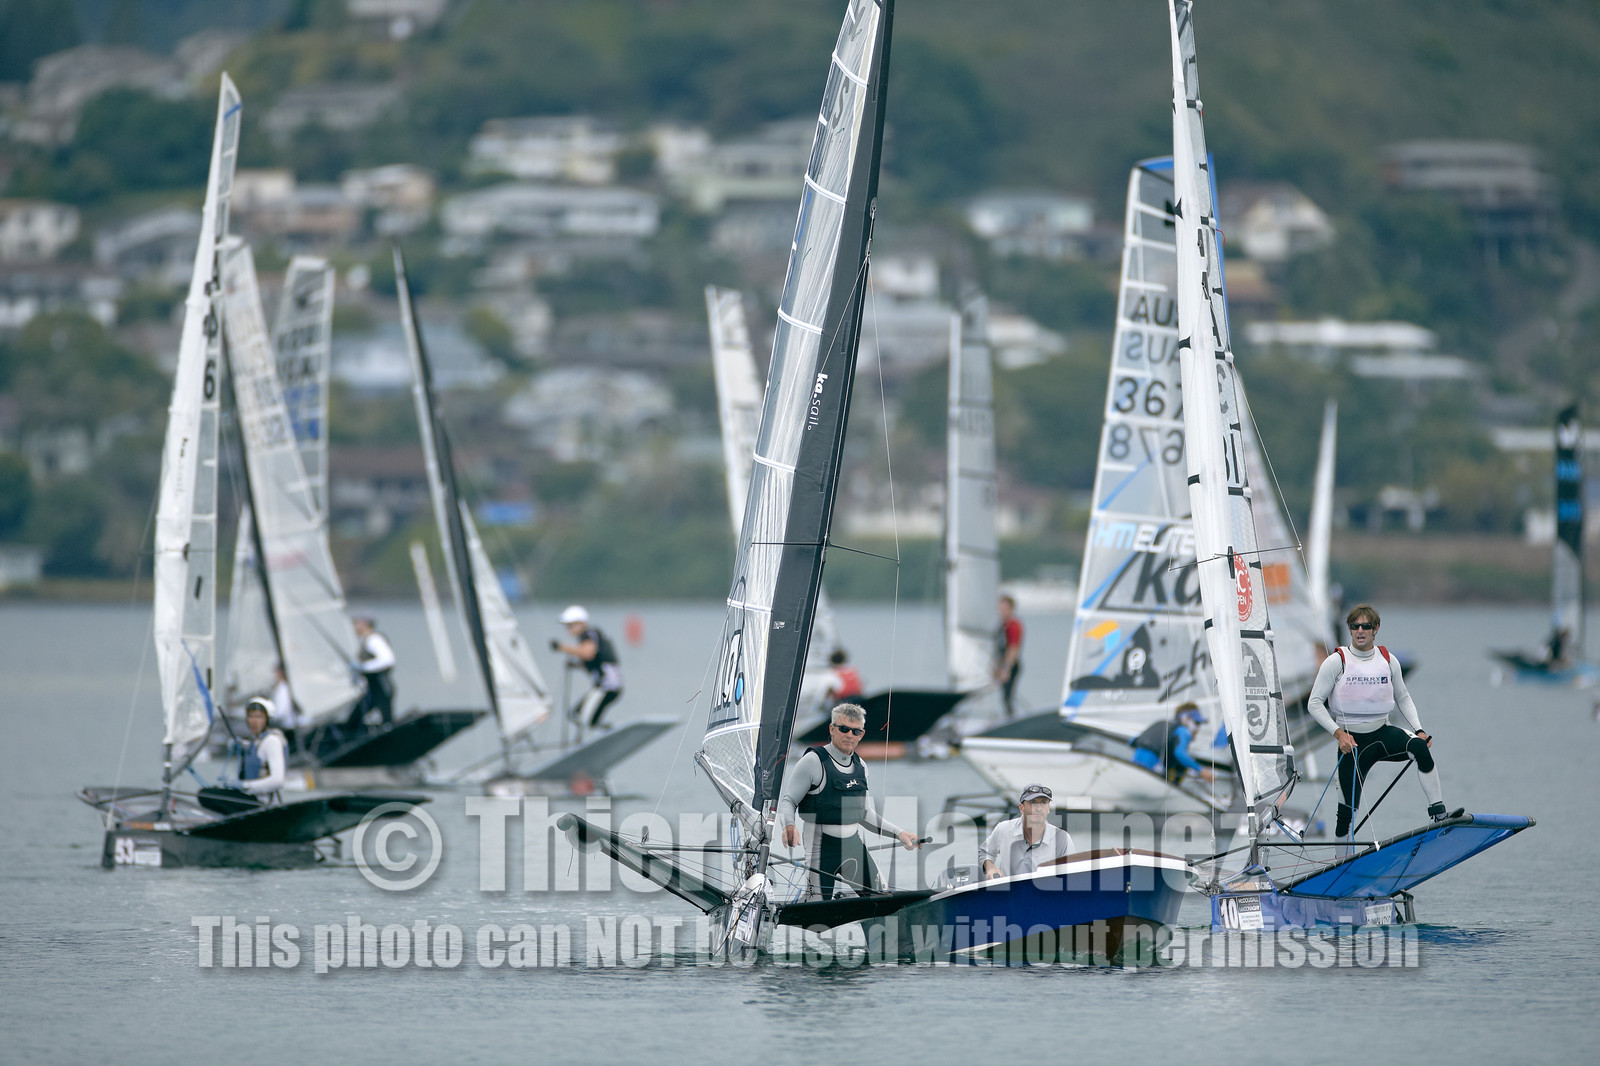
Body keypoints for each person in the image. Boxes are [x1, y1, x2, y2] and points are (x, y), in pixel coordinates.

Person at [1307, 603, 1461, 840]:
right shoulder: (1337, 661)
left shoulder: (1388, 660)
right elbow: (1314, 703)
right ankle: (1341, 858)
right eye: (1354, 626)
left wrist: (1419, 729)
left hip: (1382, 734)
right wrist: (1338, 734)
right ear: (1349, 629)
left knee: (1419, 748)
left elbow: (1403, 697)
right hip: (1352, 744)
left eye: (1365, 626)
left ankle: (1439, 814)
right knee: (1345, 814)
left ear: (1376, 628)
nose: (1360, 631)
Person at [778, 703, 922, 900]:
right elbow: (788, 801)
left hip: (853, 846)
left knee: (882, 899)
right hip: (820, 849)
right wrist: (789, 825)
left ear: (861, 735)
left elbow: (865, 814)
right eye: (843, 729)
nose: (849, 735)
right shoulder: (813, 761)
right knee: (817, 912)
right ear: (832, 729)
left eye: (856, 731)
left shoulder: (861, 766)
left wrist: (900, 833)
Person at [980, 784, 1075, 879]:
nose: (1039, 808)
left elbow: (1072, 875)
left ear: (1048, 808)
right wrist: (990, 868)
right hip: (1008, 888)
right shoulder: (1003, 829)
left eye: (1043, 803)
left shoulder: (1062, 838)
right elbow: (985, 851)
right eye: (1033, 803)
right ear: (1021, 808)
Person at [553, 605, 623, 728]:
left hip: (607, 687)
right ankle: (601, 733)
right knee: (577, 715)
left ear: (581, 623)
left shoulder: (587, 634)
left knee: (579, 715)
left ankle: (609, 732)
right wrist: (575, 665)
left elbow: (588, 653)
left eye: (571, 625)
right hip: (604, 687)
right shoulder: (591, 636)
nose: (568, 629)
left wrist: (562, 647)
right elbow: (593, 660)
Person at [1129, 702, 1216, 785]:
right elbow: (1180, 754)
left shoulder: (1160, 723)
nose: (1198, 729)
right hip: (1151, 771)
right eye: (1197, 723)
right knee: (1181, 764)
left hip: (1133, 765)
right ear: (1185, 719)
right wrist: (1201, 770)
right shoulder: (1184, 731)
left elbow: (1132, 741)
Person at [342, 616, 397, 735]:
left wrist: (363, 667)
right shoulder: (365, 640)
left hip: (381, 687)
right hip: (372, 689)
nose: (353, 627)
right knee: (356, 718)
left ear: (364, 624)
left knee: (386, 720)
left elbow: (388, 660)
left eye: (356, 623)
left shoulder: (374, 640)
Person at [235, 698, 287, 806]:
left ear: (267, 720)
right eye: (251, 716)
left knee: (207, 794)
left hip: (265, 803)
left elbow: (278, 781)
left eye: (259, 717)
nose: (254, 721)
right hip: (250, 799)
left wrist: (245, 786)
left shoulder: (272, 741)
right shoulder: (255, 741)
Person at [993, 594, 1023, 717]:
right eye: (1000, 609)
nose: (1001, 612)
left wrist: (1006, 668)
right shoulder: (1002, 625)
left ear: (1011, 609)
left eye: (1004, 609)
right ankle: (1008, 716)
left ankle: (1011, 717)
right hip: (1002, 664)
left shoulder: (1013, 625)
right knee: (1004, 697)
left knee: (1008, 696)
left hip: (1011, 665)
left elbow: (1013, 648)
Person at [268, 663, 306, 753]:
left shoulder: (283, 689)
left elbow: (280, 713)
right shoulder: (288, 686)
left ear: (280, 673)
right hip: (296, 722)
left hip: (291, 726)